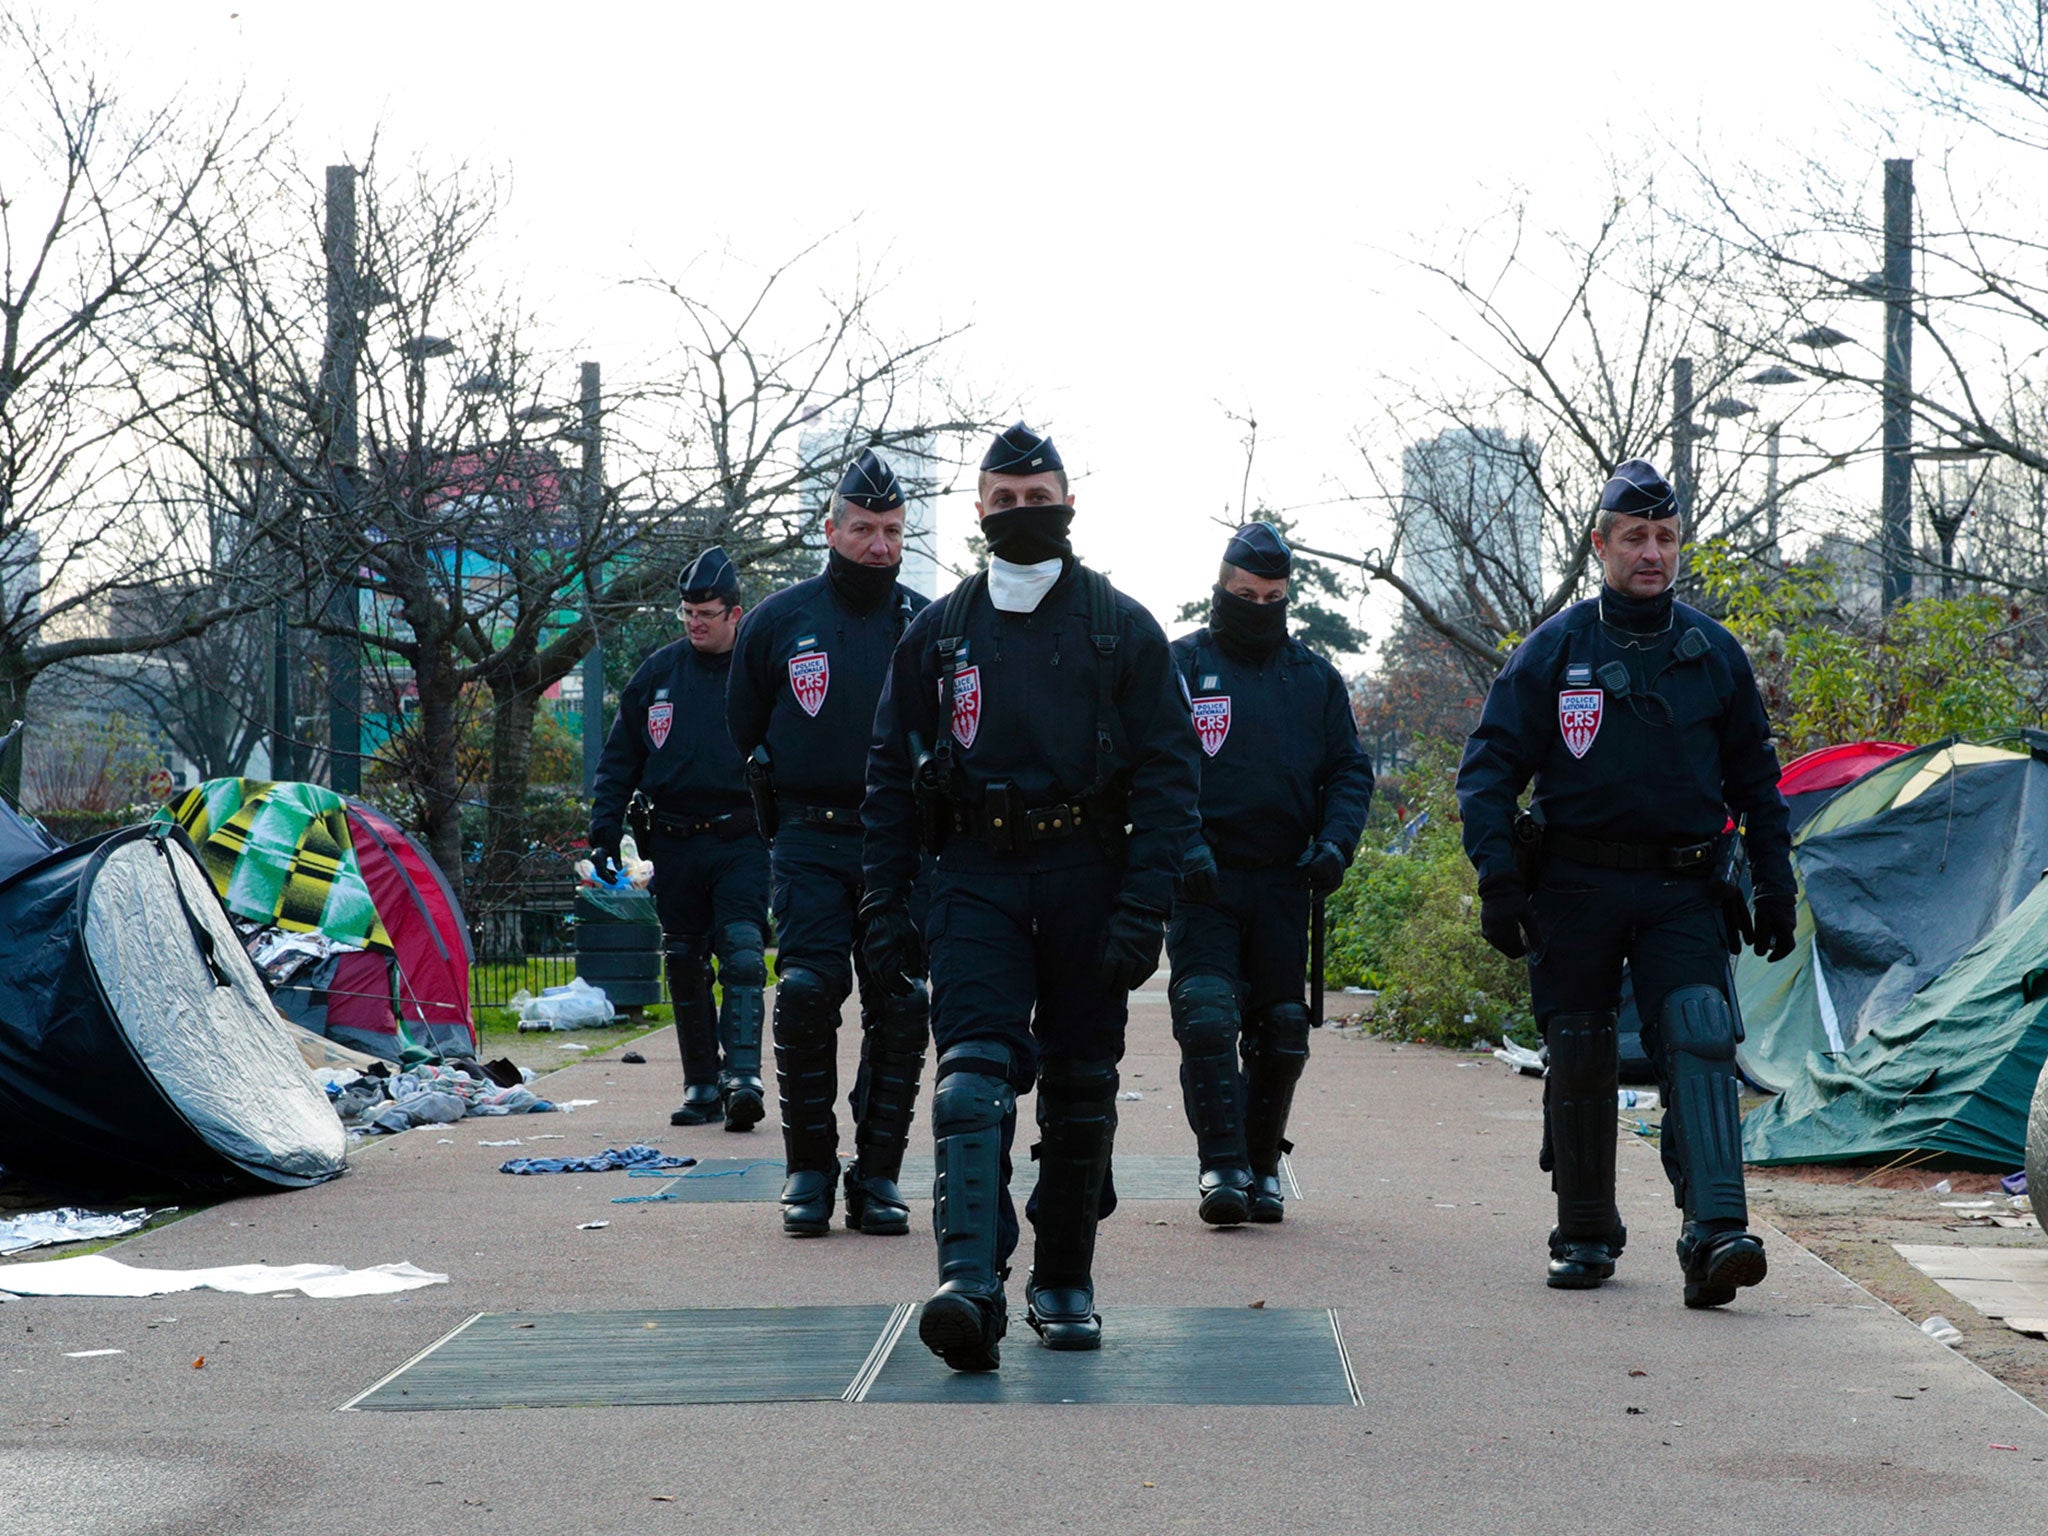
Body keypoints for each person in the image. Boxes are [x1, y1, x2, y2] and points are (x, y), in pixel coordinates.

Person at [862, 422, 1201, 1371]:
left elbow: (1173, 778)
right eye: (1003, 500)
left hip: (1088, 874)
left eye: (1036, 496)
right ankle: (969, 1287)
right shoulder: (938, 633)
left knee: (1082, 1085)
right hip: (971, 876)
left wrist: (1147, 906)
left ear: (1068, 502)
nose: (1021, 513)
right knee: (970, 1078)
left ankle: (1064, 1280)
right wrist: (883, 902)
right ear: (978, 511)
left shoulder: (1121, 627)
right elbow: (891, 772)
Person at [1455, 459, 1797, 1308]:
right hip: (1574, 883)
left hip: (1683, 885)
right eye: (1636, 538)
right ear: (1600, 543)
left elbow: (1758, 784)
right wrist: (1499, 882)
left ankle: (1716, 1232)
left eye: (1666, 538)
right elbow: (1488, 770)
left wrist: (1774, 885)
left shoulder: (1714, 653)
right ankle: (1584, 1231)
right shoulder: (1555, 649)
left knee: (1701, 1032)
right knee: (1580, 1047)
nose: (1653, 553)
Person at [727, 449, 932, 1238]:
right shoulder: (780, 621)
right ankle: (808, 1170)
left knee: (902, 1001)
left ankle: (876, 1175)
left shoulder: (926, 621)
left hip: (901, 840)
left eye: (891, 530)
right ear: (831, 528)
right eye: (863, 529)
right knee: (808, 993)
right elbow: (746, 726)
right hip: (809, 835)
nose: (879, 545)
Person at [1166, 522, 1374, 1226]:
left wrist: (1336, 845)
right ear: (1221, 589)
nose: (1258, 606)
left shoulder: (1313, 679)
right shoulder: (1182, 666)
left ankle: (1260, 1167)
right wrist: (1182, 843)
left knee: (1282, 1030)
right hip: (1204, 880)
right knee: (1206, 1016)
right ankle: (1220, 1165)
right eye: (1244, 594)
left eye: (1272, 596)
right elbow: (1153, 768)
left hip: (1286, 879)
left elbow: (1349, 771)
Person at [589, 547, 769, 1134]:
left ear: (735, 613)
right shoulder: (658, 674)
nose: (694, 622)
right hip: (673, 839)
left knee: (742, 953)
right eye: (687, 611)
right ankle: (702, 1083)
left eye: (707, 612)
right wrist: (603, 831)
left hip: (742, 835)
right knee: (685, 960)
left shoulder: (759, 669)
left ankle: (744, 1078)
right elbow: (620, 760)